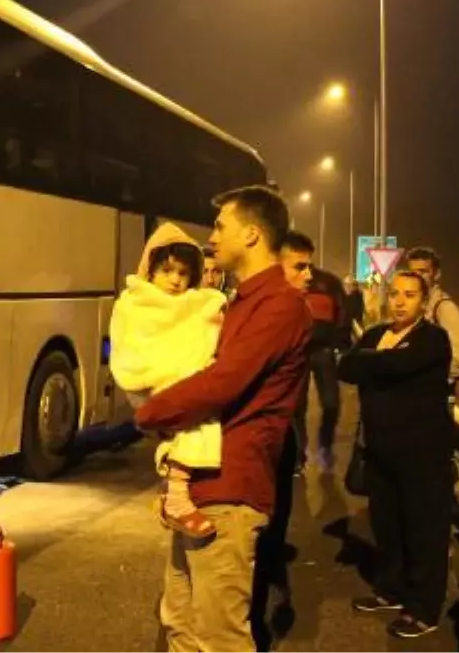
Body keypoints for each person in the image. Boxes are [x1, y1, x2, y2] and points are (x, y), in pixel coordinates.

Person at [136, 185, 312, 652]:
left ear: (252, 234)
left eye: (220, 226)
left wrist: (149, 413)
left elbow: (223, 383)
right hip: (201, 487)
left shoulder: (280, 305)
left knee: (219, 638)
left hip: (231, 489)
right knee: (181, 623)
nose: (211, 237)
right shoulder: (238, 300)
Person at [337, 269, 453, 639]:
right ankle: (391, 589)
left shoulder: (434, 339)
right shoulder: (375, 334)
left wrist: (374, 361)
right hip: (380, 453)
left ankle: (423, 609)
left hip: (422, 456)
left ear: (423, 301)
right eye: (395, 294)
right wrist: (377, 358)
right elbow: (345, 367)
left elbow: (397, 365)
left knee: (423, 532)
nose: (400, 301)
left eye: (410, 295)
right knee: (387, 526)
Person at [110, 223, 227, 537]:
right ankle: (175, 496)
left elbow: (204, 328)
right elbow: (131, 344)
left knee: (202, 419)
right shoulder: (133, 303)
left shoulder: (199, 302)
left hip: (184, 378)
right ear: (150, 270)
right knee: (195, 421)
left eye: (183, 273)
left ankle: (172, 493)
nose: (176, 280)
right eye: (167, 271)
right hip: (155, 382)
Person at [280, 231, 344, 472]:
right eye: (299, 265)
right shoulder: (288, 285)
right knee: (297, 407)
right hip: (298, 352)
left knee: (331, 404)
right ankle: (299, 455)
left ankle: (325, 446)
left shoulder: (329, 282)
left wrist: (339, 342)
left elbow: (342, 313)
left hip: (324, 351)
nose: (306, 274)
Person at [403, 246, 459, 384]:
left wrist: (428, 375)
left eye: (423, 272)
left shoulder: (444, 308)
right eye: (413, 272)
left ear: (437, 274)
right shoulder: (417, 305)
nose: (418, 277)